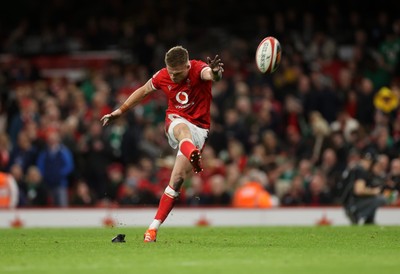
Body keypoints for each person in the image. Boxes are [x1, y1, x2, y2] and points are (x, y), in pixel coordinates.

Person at [101, 45, 224, 242]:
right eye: (171, 73)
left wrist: (216, 72)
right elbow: (142, 91)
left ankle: (152, 229)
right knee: (182, 129)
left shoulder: (198, 68)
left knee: (176, 180)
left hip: (200, 129)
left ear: (186, 65)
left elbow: (211, 74)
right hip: (176, 120)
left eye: (177, 73)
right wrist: (119, 111)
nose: (173, 77)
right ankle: (194, 155)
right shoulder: (162, 76)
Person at [341, 152, 388, 225]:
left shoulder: (356, 168)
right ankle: (356, 214)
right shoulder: (361, 170)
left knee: (376, 198)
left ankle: (369, 220)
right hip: (352, 203)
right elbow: (359, 190)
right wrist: (374, 191)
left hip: (348, 202)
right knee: (380, 199)